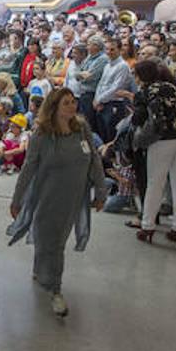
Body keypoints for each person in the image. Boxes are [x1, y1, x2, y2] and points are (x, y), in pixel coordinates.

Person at [8, 87, 107, 317]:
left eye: (73, 102)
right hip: (47, 196)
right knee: (52, 241)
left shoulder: (81, 128)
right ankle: (56, 290)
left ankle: (42, 271)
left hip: (73, 198)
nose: (72, 107)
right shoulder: (42, 133)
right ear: (54, 107)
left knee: (55, 239)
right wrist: (17, 199)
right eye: (66, 103)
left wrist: (101, 192)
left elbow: (94, 160)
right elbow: (28, 168)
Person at [132, 61, 176, 245]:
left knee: (155, 183)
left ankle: (147, 226)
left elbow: (139, 118)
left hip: (163, 139)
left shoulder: (144, 92)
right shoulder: (172, 86)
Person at [93, 37, 134, 143]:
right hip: (102, 104)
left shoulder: (123, 66)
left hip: (114, 104)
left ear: (119, 50)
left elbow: (116, 87)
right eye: (107, 49)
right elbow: (101, 83)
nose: (109, 52)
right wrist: (96, 99)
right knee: (102, 134)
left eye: (112, 49)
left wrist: (100, 99)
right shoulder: (107, 65)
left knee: (111, 135)